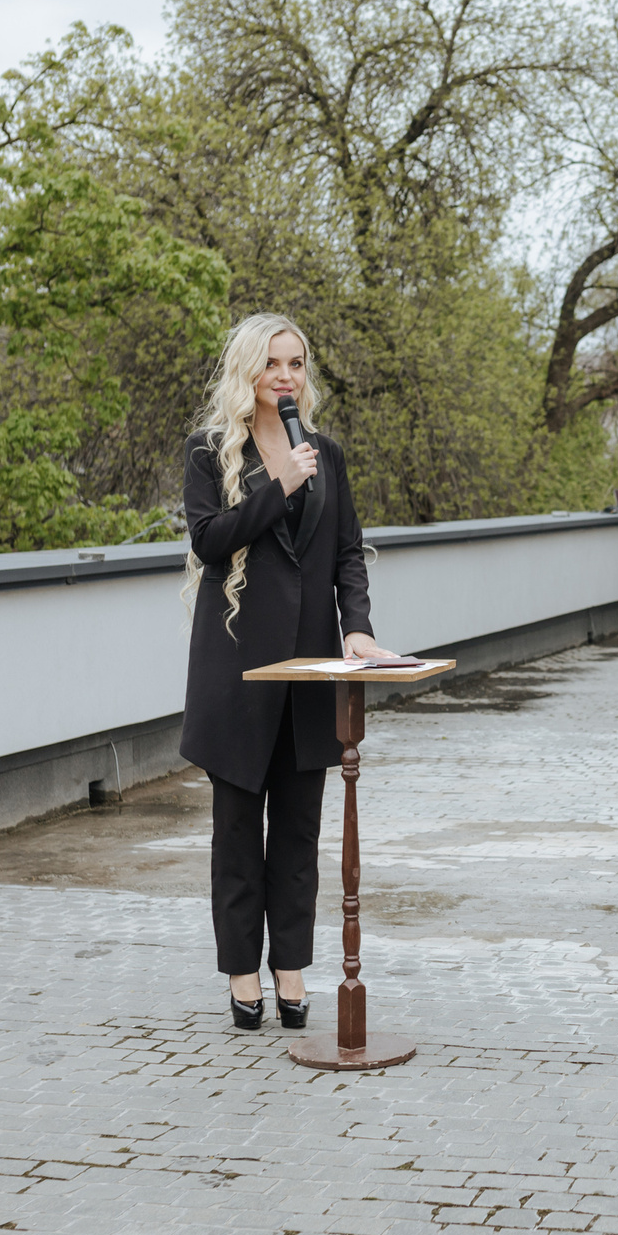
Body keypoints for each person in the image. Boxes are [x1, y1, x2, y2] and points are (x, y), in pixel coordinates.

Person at [180, 314, 394, 1032]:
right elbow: (211, 541)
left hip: (310, 670)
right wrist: (275, 483)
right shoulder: (209, 451)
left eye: (297, 363)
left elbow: (348, 552)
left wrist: (357, 628)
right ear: (248, 370)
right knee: (238, 830)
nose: (287, 375)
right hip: (238, 670)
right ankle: (242, 970)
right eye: (273, 363)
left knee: (299, 827)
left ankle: (291, 965)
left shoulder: (325, 453)